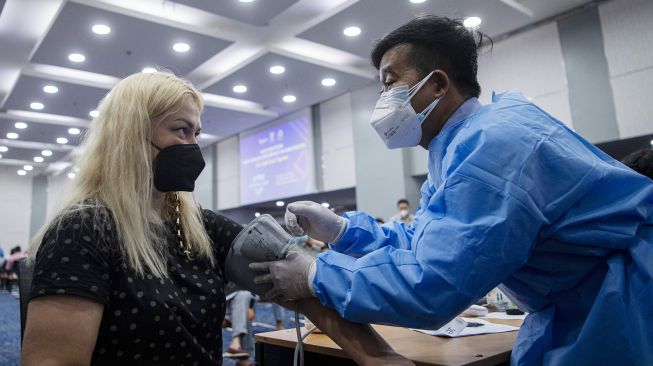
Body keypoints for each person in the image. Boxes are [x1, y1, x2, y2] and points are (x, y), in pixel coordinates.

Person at [251, 15, 653, 366]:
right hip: (589, 303)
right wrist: (342, 231)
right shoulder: (460, 147)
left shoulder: (493, 146)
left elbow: (433, 286)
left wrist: (316, 273)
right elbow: (424, 243)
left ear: (437, 84)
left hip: (624, 303)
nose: (382, 101)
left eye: (390, 83)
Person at [21, 71, 413, 366]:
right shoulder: (83, 229)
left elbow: (307, 289)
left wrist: (379, 357)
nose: (194, 146)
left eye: (197, 133)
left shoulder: (202, 226)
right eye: (181, 130)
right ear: (131, 137)